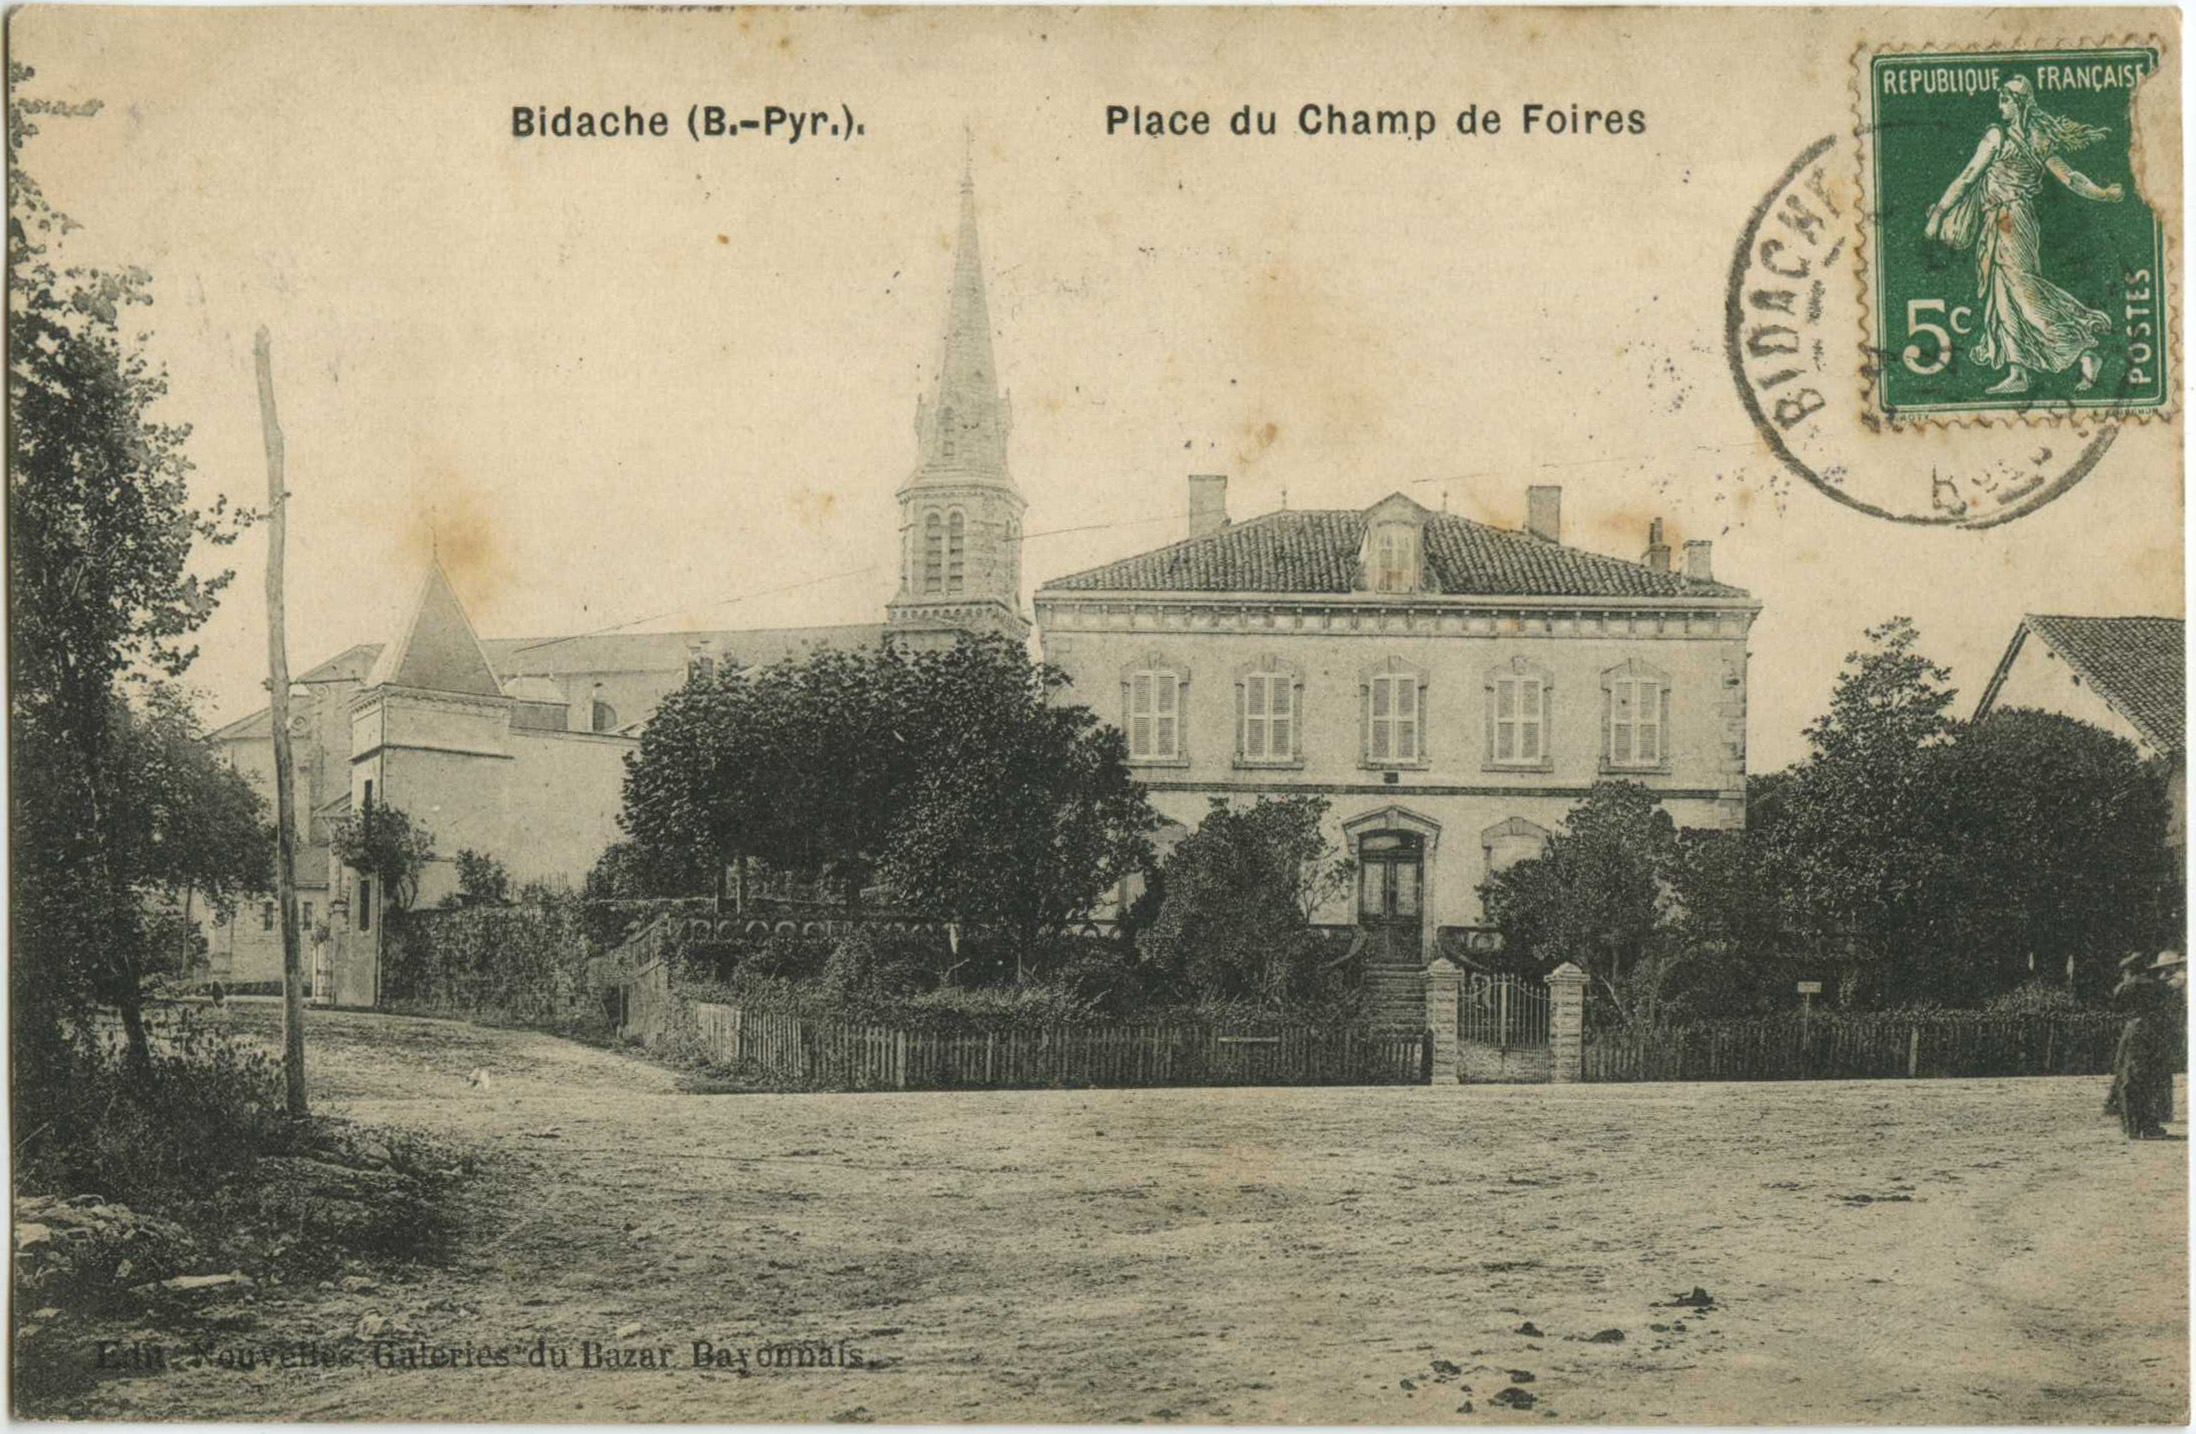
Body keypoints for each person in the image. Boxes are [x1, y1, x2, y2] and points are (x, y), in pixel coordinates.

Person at [1924, 75, 2124, 396]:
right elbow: (2070, 178)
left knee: (2021, 290)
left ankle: (2082, 349)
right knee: (2003, 294)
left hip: (2009, 221)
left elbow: (1966, 178)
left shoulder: (1998, 136)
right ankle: (2019, 371)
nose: (2000, 105)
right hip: (2007, 220)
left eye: (2005, 100)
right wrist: (2101, 193)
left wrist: (1938, 214)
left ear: (2018, 103)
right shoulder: (2037, 137)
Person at [2106, 953, 2183, 1140]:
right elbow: (2171, 999)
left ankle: (2131, 1126)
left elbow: (2116, 1005)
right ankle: (2149, 1125)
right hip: (2155, 1030)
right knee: (2152, 1078)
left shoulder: (2126, 986)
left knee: (2129, 1077)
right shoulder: (2158, 985)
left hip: (2133, 1030)